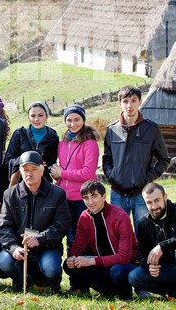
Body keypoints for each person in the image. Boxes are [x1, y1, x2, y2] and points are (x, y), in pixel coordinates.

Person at [0, 151, 71, 294]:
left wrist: (40, 238)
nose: (29, 174)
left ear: (42, 171)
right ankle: (21, 282)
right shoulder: (10, 194)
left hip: (47, 247)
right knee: (5, 260)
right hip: (20, 248)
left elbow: (62, 224)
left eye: (34, 169)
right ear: (20, 172)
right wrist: (13, 248)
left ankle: (51, 285)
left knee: (51, 268)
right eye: (25, 170)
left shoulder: (57, 194)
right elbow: (3, 226)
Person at [102, 85, 170, 228]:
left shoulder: (151, 129)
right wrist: (112, 176)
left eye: (133, 101)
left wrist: (147, 178)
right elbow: (107, 158)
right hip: (118, 193)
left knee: (143, 234)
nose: (129, 105)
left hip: (142, 193)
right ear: (119, 103)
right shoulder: (112, 130)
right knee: (118, 233)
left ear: (140, 102)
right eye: (125, 101)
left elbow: (164, 159)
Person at [63, 180, 137, 299]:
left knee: (117, 271)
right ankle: (109, 291)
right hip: (102, 261)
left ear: (104, 196)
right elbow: (78, 246)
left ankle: (124, 293)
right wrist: (72, 258)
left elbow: (124, 257)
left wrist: (91, 261)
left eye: (94, 196)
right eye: (86, 198)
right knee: (69, 265)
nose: (90, 202)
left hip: (125, 263)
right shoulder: (84, 216)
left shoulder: (120, 216)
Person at [49, 104, 100, 248]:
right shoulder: (63, 143)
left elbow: (88, 173)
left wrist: (62, 173)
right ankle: (71, 260)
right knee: (69, 236)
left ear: (83, 120)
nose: (73, 124)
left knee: (81, 237)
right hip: (64, 198)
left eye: (77, 119)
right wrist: (55, 173)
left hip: (81, 198)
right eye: (69, 120)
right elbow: (63, 170)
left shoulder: (90, 143)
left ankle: (83, 261)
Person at [4, 101, 58, 186]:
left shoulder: (53, 137)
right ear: (28, 117)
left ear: (46, 116)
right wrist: (26, 160)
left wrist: (46, 166)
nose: (36, 119)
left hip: (43, 183)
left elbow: (52, 162)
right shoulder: (19, 134)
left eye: (40, 115)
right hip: (21, 183)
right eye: (33, 116)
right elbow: (8, 160)